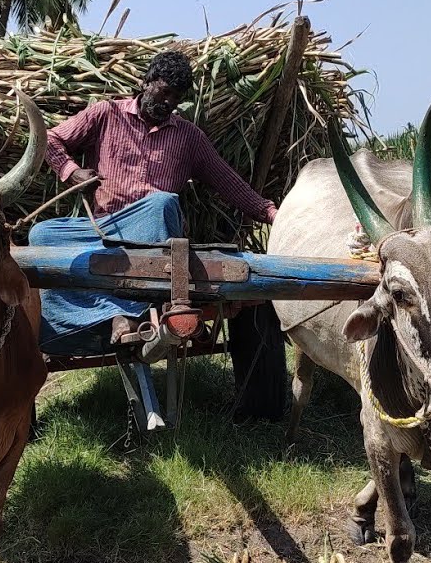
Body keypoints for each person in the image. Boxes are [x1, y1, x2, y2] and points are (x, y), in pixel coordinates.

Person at [29, 51, 279, 356]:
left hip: (154, 235)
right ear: (145, 82)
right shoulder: (106, 113)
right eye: (164, 92)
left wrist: (271, 213)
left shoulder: (189, 137)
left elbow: (228, 182)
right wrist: (73, 172)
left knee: (161, 203)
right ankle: (106, 315)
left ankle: (134, 312)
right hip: (105, 229)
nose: (169, 102)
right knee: (41, 235)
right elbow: (50, 139)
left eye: (177, 98)